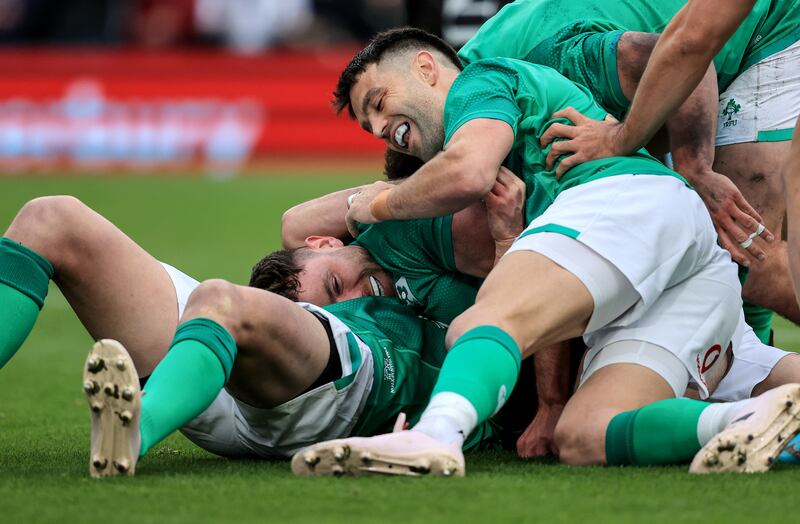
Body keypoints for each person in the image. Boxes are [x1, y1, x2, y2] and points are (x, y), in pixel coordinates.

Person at [292, 28, 800, 476]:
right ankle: (748, 417)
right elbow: (550, 297)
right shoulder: (499, 180)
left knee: (486, 321)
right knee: (586, 434)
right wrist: (553, 402)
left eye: (378, 104)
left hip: (632, 205)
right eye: (368, 126)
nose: (380, 130)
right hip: (667, 268)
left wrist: (373, 204)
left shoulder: (481, 81)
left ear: (426, 69)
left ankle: (435, 435)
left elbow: (467, 172)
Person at [0, 195, 485, 476]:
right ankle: (151, 407)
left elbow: (295, 221)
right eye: (334, 298)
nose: (357, 296)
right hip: (258, 376)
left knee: (218, 299)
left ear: (322, 243)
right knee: (51, 217)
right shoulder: (364, 301)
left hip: (308, 402)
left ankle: (135, 426)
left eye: (337, 284)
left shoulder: (387, 227)